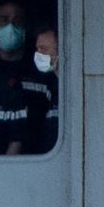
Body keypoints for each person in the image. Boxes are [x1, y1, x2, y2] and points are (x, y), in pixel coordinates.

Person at [21, 25, 59, 154]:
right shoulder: (49, 86)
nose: (38, 54)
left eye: (44, 49)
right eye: (37, 49)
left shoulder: (71, 86)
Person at [0, 1, 30, 87]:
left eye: (17, 20)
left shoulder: (39, 67)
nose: (10, 25)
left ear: (25, 28)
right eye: (4, 20)